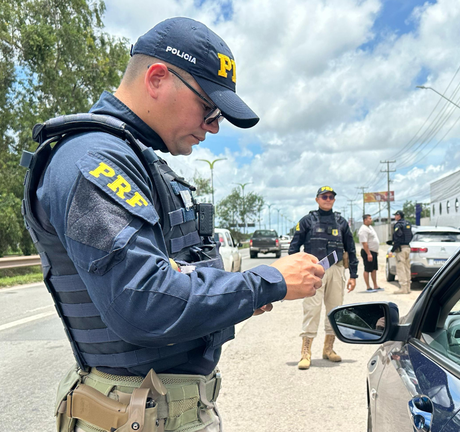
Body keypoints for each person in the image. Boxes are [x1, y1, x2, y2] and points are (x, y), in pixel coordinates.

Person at [19, 17, 324, 432]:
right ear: (158, 78)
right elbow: (144, 303)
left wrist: (231, 295)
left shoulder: (135, 160)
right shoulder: (92, 161)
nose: (214, 125)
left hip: (162, 410)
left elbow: (168, 277)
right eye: (209, 108)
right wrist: (266, 281)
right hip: (135, 414)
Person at [289, 186, 359, 369]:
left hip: (336, 270)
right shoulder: (307, 221)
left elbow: (351, 249)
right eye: (324, 196)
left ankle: (328, 349)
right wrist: (296, 271)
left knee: (334, 309)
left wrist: (353, 274)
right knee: (312, 309)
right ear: (317, 199)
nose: (328, 199)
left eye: (331, 197)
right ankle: (306, 352)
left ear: (334, 200)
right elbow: (294, 248)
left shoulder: (341, 222)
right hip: (314, 270)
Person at [392, 209, 414, 294]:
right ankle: (408, 287)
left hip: (401, 249)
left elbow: (397, 238)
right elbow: (411, 236)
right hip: (408, 247)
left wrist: (393, 249)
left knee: (401, 268)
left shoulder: (398, 225)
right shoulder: (407, 224)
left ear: (399, 216)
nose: (395, 217)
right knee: (407, 268)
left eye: (396, 215)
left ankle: (403, 288)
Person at [357, 214, 381, 291]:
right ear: (365, 220)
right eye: (369, 219)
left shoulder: (370, 228)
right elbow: (364, 243)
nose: (371, 220)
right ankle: (368, 286)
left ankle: (375, 285)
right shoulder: (363, 229)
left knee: (374, 269)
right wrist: (369, 254)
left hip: (373, 252)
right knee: (367, 269)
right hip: (367, 252)